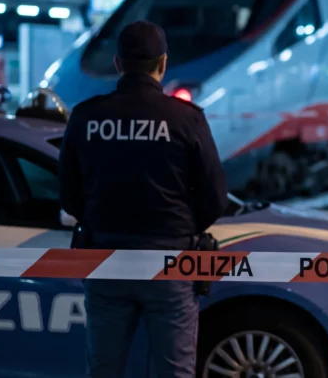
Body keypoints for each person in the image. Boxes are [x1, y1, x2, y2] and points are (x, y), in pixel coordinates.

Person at [59, 20, 229, 378]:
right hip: (172, 264)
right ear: (163, 64)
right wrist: (181, 229)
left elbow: (69, 196)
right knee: (175, 371)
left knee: (103, 370)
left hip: (105, 260)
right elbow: (215, 196)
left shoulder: (87, 117)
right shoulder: (186, 119)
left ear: (119, 64)